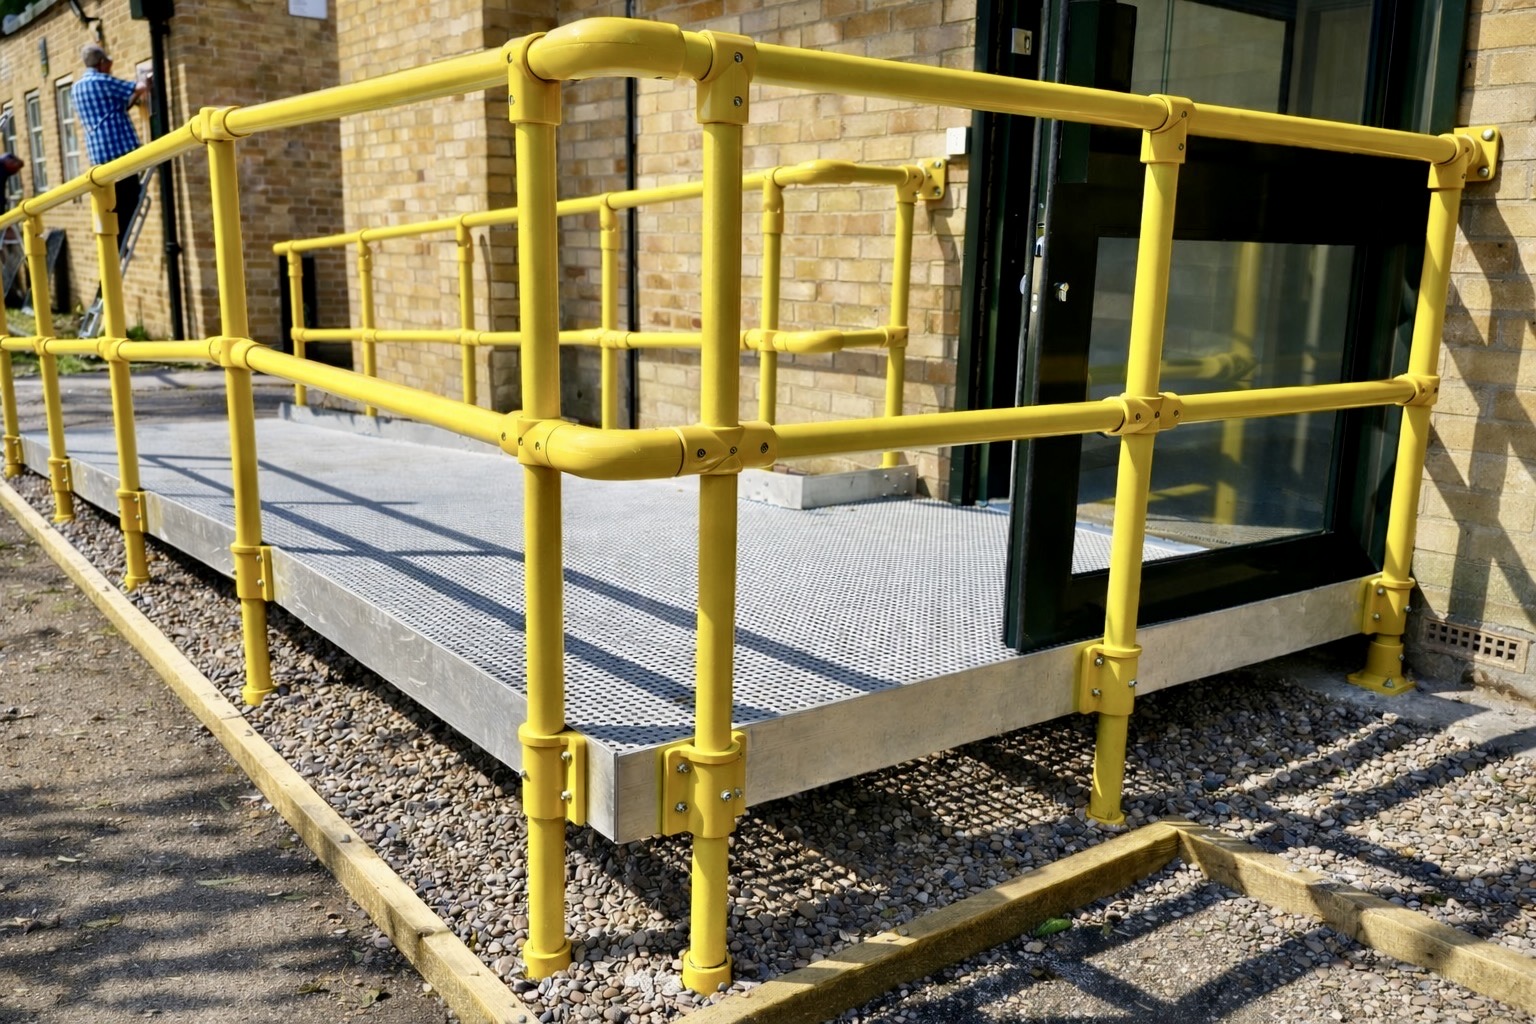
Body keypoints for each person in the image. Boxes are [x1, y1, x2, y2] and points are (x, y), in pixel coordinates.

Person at [71, 44, 149, 251]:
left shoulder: (77, 87)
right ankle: (119, 247)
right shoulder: (101, 80)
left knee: (114, 204)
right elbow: (137, 88)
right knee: (130, 198)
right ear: (102, 63)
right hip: (119, 149)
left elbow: (116, 105)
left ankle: (115, 248)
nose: (112, 66)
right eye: (110, 62)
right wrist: (146, 82)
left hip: (98, 153)